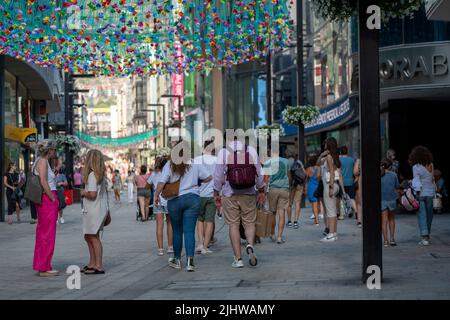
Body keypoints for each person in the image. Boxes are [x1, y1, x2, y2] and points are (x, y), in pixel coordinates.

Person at [154, 140, 211, 272]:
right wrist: (197, 181)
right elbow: (209, 178)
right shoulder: (194, 163)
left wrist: (156, 195)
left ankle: (177, 259)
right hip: (193, 199)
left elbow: (161, 182)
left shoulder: (170, 164)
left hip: (175, 201)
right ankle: (190, 261)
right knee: (189, 231)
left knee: (177, 230)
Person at [214, 135, 265, 268]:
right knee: (249, 223)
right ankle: (250, 244)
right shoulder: (251, 150)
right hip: (248, 193)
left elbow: (218, 176)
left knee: (233, 225)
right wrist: (261, 190)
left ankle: (238, 259)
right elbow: (259, 173)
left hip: (230, 194)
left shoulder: (223, 152)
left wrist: (216, 192)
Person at [32, 140, 59, 277]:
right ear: (49, 151)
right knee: (48, 233)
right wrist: (52, 198)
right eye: (54, 150)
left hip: (44, 199)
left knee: (43, 232)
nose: (55, 152)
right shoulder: (43, 161)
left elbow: (44, 179)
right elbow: (43, 181)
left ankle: (41, 264)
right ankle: (45, 267)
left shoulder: (39, 161)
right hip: (48, 199)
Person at [80, 149, 109, 275]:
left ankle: (98, 265)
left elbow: (92, 194)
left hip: (93, 210)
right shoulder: (100, 175)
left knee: (93, 237)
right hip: (97, 209)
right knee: (89, 236)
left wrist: (82, 193)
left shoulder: (92, 175)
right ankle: (92, 263)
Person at [194, 140, 218, 254]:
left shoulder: (197, 160)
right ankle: (206, 245)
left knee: (200, 219)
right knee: (209, 220)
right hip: (212, 194)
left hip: (198, 194)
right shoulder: (216, 160)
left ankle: (200, 243)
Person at [409, 146, 436, 246]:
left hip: (420, 193)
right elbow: (432, 179)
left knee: (422, 215)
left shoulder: (416, 167)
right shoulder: (431, 165)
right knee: (429, 215)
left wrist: (412, 185)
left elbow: (416, 181)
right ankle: (427, 235)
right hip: (430, 193)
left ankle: (424, 238)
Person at [317, 138, 342, 242]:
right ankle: (334, 233)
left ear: (329, 145)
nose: (324, 145)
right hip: (334, 185)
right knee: (333, 211)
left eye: (325, 144)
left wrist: (330, 188)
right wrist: (322, 154)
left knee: (330, 212)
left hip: (329, 185)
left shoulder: (329, 157)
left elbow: (331, 172)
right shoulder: (332, 156)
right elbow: (318, 163)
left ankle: (331, 234)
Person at [148, 157, 173, 256]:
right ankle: (170, 247)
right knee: (170, 223)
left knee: (159, 224)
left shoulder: (154, 174)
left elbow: (147, 185)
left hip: (157, 201)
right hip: (168, 200)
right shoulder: (169, 173)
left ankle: (160, 249)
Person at [264, 148, 291, 243]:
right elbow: (289, 176)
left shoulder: (267, 162)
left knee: (272, 213)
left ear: (270, 153)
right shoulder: (286, 161)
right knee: (282, 213)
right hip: (284, 189)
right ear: (278, 152)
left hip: (273, 189)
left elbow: (266, 179)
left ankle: (272, 234)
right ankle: (279, 237)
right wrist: (288, 187)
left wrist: (264, 192)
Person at [381, 159, 400, 247]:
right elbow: (397, 186)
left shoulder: (379, 175)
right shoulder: (394, 175)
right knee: (391, 219)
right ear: (390, 166)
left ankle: (385, 241)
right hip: (392, 199)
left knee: (384, 221)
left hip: (382, 200)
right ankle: (392, 239)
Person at [286, 151, 305, 229]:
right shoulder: (298, 162)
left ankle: (289, 221)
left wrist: (289, 184)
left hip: (291, 185)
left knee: (289, 203)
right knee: (297, 203)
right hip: (299, 184)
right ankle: (296, 222)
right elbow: (304, 173)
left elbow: (288, 175)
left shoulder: (287, 162)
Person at [339, 146, 357, 220]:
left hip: (341, 182)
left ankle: (342, 215)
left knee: (341, 198)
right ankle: (356, 211)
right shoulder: (352, 160)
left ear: (340, 152)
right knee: (352, 198)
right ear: (347, 151)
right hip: (351, 181)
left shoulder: (339, 160)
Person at [306, 155, 321, 226]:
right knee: (318, 203)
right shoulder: (319, 168)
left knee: (314, 204)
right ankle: (316, 218)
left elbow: (306, 178)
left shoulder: (309, 169)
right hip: (318, 186)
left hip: (311, 187)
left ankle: (316, 220)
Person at [354, 158, 362, 227]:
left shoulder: (359, 160)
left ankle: (360, 221)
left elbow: (355, 172)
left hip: (360, 182)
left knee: (359, 203)